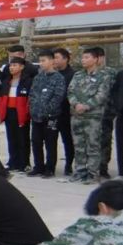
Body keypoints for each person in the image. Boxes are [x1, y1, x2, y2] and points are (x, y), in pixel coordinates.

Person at [67, 47, 111, 185]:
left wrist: (86, 105)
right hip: (76, 116)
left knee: (93, 146)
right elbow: (70, 92)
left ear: (96, 59)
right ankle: (80, 172)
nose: (83, 60)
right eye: (83, 57)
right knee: (78, 145)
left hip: (93, 117)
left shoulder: (104, 76)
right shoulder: (78, 75)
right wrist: (76, 104)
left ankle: (93, 174)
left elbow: (102, 95)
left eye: (87, 57)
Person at [28, 49, 67, 178]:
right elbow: (32, 95)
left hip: (51, 117)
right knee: (36, 142)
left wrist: (47, 110)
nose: (41, 63)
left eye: (43, 61)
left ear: (51, 61)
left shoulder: (58, 78)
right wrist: (34, 109)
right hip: (36, 116)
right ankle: (38, 167)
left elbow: (58, 97)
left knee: (50, 143)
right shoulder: (38, 77)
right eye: (40, 61)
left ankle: (50, 169)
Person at [0, 57, 31, 172]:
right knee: (11, 138)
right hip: (9, 111)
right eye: (11, 65)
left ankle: (24, 163)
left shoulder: (27, 80)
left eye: (15, 65)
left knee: (22, 138)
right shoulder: (7, 81)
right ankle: (13, 162)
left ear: (22, 67)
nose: (12, 67)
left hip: (21, 112)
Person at [54, 47, 76, 175]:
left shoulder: (73, 75)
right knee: (51, 140)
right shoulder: (52, 74)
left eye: (57, 57)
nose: (55, 60)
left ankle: (68, 164)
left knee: (67, 140)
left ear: (66, 59)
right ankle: (50, 165)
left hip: (66, 113)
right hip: (53, 113)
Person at [97, 48, 118, 178]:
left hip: (107, 113)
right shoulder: (87, 73)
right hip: (91, 113)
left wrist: (113, 110)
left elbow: (116, 92)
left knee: (105, 141)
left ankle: (103, 167)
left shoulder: (111, 73)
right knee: (91, 142)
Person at [114, 48, 123, 176]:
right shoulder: (121, 75)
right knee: (120, 145)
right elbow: (115, 92)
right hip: (122, 115)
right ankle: (121, 171)